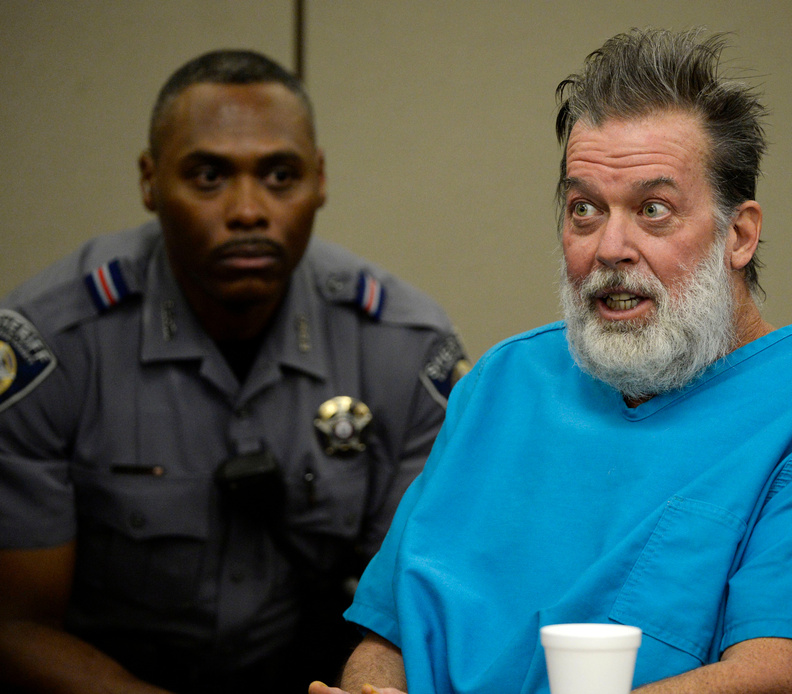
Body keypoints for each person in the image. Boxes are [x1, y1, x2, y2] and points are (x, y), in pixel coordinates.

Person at [313, 28, 792, 694]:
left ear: (740, 234)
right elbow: (387, 637)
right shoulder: (501, 383)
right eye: (585, 209)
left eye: (653, 210)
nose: (611, 246)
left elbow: (780, 676)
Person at [0, 50, 467, 694]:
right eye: (208, 176)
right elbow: (17, 625)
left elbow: (417, 609)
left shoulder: (401, 348)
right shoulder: (52, 346)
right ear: (149, 181)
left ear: (321, 179)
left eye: (280, 175)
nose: (248, 210)